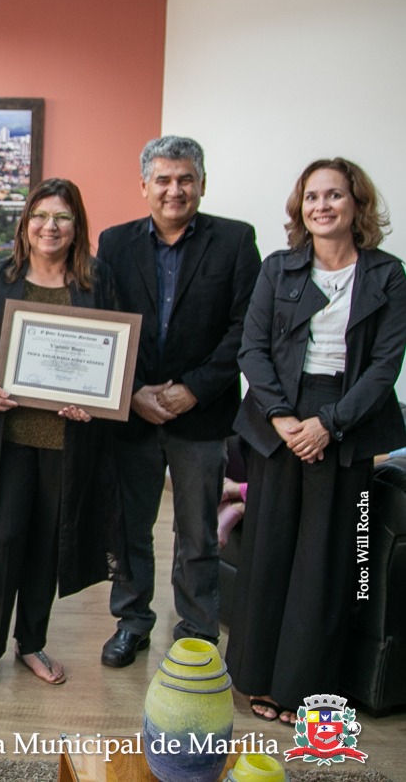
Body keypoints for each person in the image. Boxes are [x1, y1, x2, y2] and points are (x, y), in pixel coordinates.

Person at [227, 158, 406, 723]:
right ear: (299, 208)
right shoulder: (279, 268)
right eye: (311, 197)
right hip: (278, 422)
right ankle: (258, 678)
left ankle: (306, 689)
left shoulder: (387, 274)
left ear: (357, 204)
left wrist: (329, 423)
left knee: (330, 562)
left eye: (333, 195)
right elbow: (252, 349)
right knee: (270, 552)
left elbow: (385, 366)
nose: (322, 206)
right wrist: (284, 419)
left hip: (346, 425)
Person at [0, 178, 125, 691]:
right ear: (25, 225)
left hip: (69, 444)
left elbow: (115, 358)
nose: (50, 227)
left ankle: (32, 643)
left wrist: (94, 400)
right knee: (2, 540)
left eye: (62, 218)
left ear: (77, 228)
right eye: (40, 216)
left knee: (48, 546)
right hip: (7, 439)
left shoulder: (98, 282)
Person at [97, 135, 261, 667]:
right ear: (143, 185)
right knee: (130, 526)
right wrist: (133, 392)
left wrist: (193, 388)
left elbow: (245, 329)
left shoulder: (236, 241)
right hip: (134, 413)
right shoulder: (115, 243)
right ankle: (132, 620)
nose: (174, 190)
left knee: (196, 532)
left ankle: (196, 630)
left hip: (203, 414)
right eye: (163, 180)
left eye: (185, 179)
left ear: (202, 184)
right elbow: (105, 327)